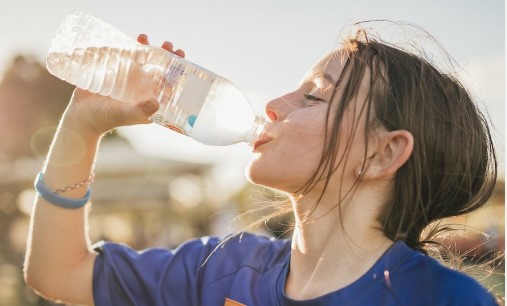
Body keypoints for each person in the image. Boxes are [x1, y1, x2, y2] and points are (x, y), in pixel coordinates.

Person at [24, 24, 500, 305]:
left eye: (313, 95)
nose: (272, 104)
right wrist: (82, 127)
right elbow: (57, 272)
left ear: (383, 153)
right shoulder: (225, 268)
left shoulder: (441, 299)